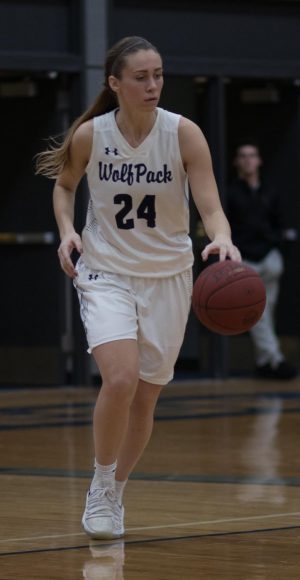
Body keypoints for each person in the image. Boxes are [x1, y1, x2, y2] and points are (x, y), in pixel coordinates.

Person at [36, 36, 241, 540]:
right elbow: (64, 186)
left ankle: (118, 487)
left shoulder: (183, 133)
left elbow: (210, 205)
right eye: (141, 77)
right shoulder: (91, 135)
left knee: (146, 399)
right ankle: (101, 486)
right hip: (106, 271)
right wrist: (67, 232)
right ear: (115, 84)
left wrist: (223, 239)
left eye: (159, 75)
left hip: (169, 276)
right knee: (121, 380)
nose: (153, 85)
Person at [227, 141, 297, 380]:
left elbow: (280, 223)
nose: (248, 160)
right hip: (246, 260)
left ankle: (263, 362)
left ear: (259, 161)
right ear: (237, 161)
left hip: (269, 257)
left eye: (252, 155)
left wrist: (277, 246)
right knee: (258, 314)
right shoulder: (231, 192)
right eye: (243, 156)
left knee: (268, 312)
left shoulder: (270, 190)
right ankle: (274, 359)